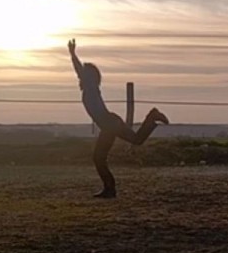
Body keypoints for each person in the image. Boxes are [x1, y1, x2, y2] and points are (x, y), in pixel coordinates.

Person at [68, 38, 169, 198]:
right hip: (110, 122)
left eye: (84, 74)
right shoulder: (91, 88)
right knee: (135, 140)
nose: (80, 76)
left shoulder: (91, 87)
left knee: (99, 157)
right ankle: (152, 117)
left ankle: (110, 189)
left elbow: (78, 70)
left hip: (109, 123)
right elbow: (80, 72)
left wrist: (73, 54)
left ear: (88, 77)